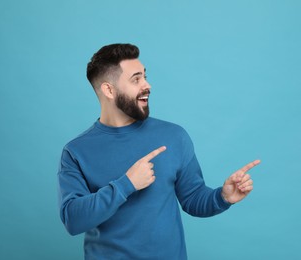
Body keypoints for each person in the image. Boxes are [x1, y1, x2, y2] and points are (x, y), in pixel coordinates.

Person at [57, 43, 260, 260]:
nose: (147, 85)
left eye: (145, 76)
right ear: (109, 90)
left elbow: (193, 199)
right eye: (136, 79)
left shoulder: (173, 136)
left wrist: (222, 197)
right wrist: (126, 184)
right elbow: (73, 220)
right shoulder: (76, 151)